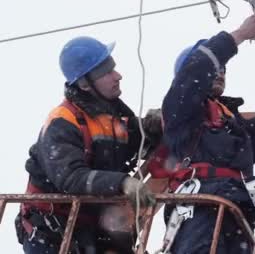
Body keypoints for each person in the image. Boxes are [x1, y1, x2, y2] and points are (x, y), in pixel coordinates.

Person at [160, 13, 255, 253]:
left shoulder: (232, 125)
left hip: (235, 210)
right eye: (216, 68)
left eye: (224, 69)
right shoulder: (180, 112)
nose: (221, 72)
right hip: (198, 206)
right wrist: (240, 35)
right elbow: (196, 70)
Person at [15, 36, 162, 254]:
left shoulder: (113, 120)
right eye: (106, 72)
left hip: (91, 229)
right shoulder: (62, 122)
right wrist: (123, 182)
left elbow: (139, 137)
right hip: (53, 233)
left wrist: (155, 124)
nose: (117, 76)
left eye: (114, 68)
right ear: (84, 84)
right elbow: (71, 177)